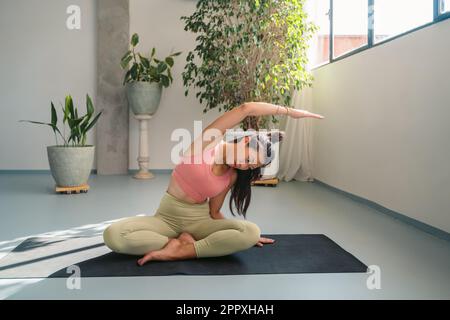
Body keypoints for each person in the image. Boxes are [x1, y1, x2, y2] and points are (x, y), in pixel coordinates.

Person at [103, 102, 324, 266]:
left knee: (250, 231)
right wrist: (290, 112)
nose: (243, 165)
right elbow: (245, 109)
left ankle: (184, 250)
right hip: (166, 219)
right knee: (114, 235)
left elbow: (214, 211)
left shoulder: (233, 175)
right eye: (247, 159)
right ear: (246, 140)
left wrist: (237, 233)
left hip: (200, 222)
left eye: (248, 167)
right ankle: (177, 242)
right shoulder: (208, 141)